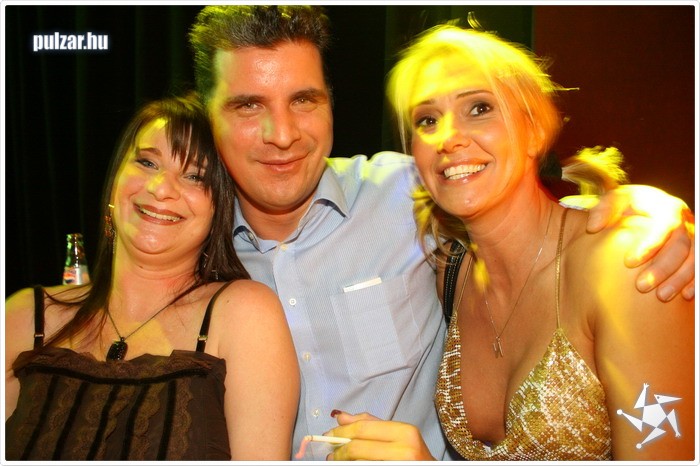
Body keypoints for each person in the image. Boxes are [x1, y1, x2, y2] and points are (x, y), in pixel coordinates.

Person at [188, 6, 695, 460]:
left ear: (536, 126)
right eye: (427, 120)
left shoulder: (629, 263)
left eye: (479, 108)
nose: (282, 133)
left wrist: (650, 211)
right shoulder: (192, 255)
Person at [4, 95, 300, 460]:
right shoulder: (25, 316)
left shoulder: (243, 314)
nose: (161, 188)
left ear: (219, 208)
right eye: (147, 162)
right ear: (115, 181)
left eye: (194, 176)